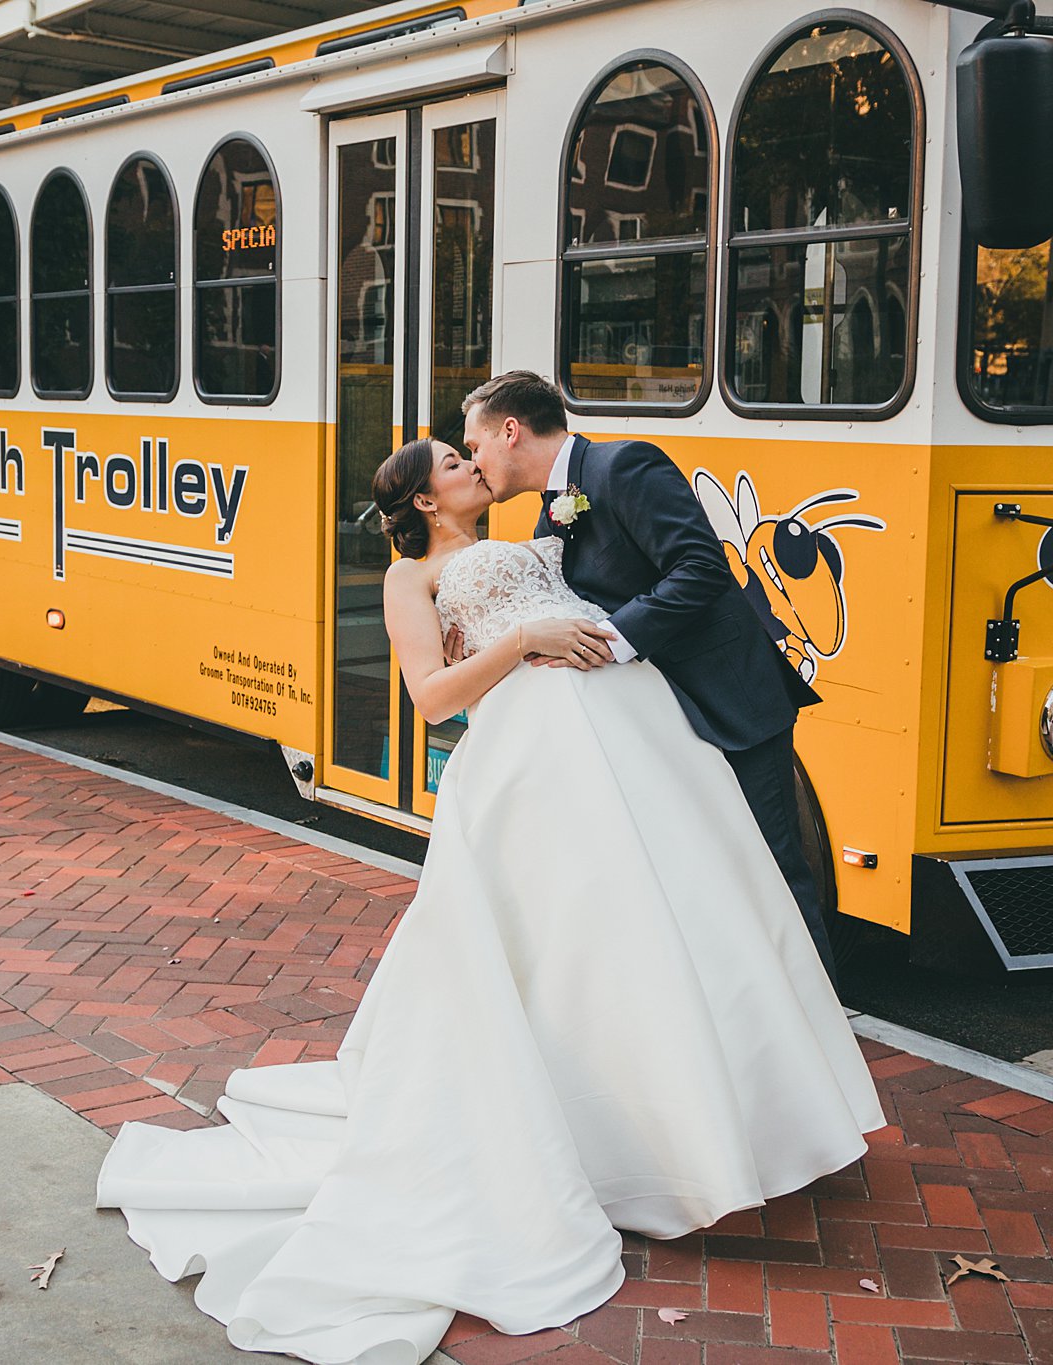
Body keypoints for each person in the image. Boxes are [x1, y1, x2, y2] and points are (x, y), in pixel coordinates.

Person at [95, 435, 884, 1365]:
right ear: (426, 502)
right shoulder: (410, 578)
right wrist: (521, 639)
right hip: (534, 752)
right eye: (455, 464)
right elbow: (431, 699)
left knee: (668, 928)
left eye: (472, 454)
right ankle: (614, 1141)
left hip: (636, 732)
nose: (474, 466)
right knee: (569, 938)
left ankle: (725, 1122)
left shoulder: (554, 526)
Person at [461, 370, 840, 986]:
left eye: (474, 446)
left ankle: (819, 1020)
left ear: (510, 431)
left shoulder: (623, 466)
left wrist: (613, 643)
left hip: (729, 701)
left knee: (769, 866)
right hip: (661, 721)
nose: (475, 464)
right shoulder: (546, 521)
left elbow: (700, 568)